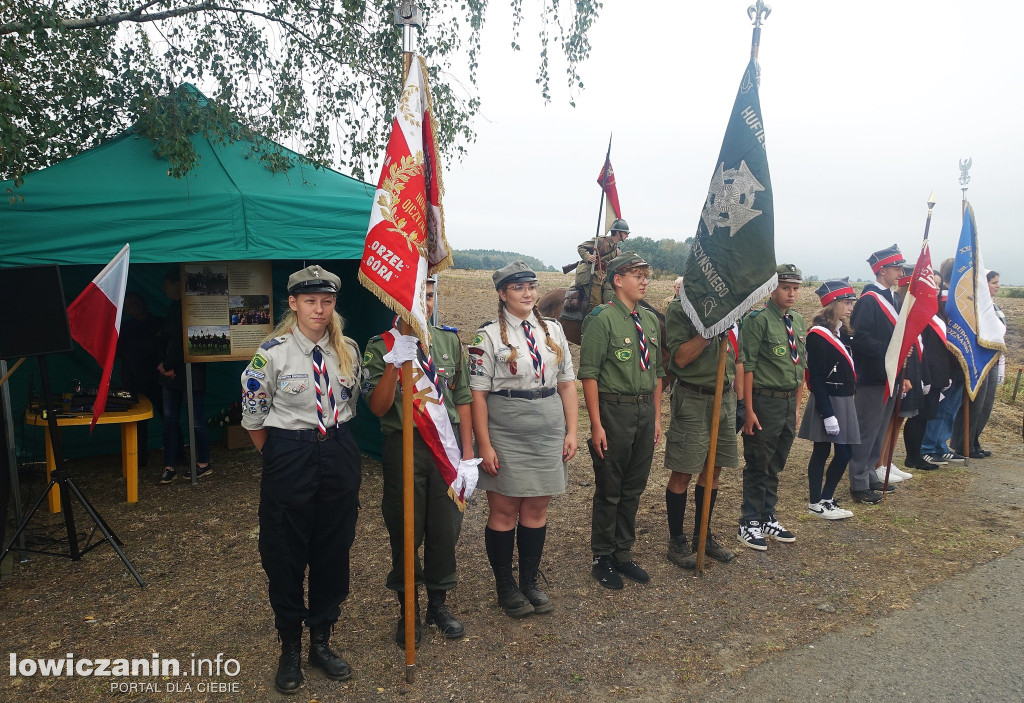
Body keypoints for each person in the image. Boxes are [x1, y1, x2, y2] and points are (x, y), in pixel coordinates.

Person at [241, 265, 362, 694]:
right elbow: (254, 419)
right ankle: (289, 646)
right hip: (289, 452)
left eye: (327, 301)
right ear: (292, 304)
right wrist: (284, 455)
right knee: (285, 553)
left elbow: (351, 402)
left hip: (339, 450)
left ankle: (322, 641)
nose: (319, 309)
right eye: (310, 301)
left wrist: (324, 450)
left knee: (333, 549)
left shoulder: (347, 349)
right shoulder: (270, 355)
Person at [364, 276, 474, 642]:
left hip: (447, 447)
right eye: (414, 297)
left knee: (445, 528)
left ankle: (438, 603)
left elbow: (463, 398)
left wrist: (469, 455)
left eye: (428, 296)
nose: (422, 304)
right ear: (395, 302)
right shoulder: (380, 346)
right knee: (404, 527)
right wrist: (395, 365)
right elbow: (378, 408)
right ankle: (406, 608)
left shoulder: (448, 341)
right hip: (404, 446)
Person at [469, 262, 578, 618]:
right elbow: (478, 396)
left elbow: (566, 384)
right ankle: (505, 585)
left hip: (548, 425)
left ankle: (529, 581)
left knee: (536, 508)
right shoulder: (486, 337)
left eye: (531, 287)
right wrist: (483, 445)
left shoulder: (554, 330)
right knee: (504, 511)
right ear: (502, 294)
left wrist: (573, 430)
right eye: (518, 288)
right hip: (506, 428)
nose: (528, 294)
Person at [579, 252, 664, 588]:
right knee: (610, 487)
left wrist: (657, 417)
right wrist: (596, 424)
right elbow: (589, 374)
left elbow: (657, 373)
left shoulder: (650, 319)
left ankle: (623, 552)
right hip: (614, 411)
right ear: (617, 280)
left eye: (646, 274)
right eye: (636, 275)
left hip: (645, 412)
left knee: (633, 487)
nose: (644, 280)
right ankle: (602, 555)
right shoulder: (602, 318)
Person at [663, 289, 741, 569]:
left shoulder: (731, 307)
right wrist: (709, 332)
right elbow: (681, 359)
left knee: (714, 468)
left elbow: (737, 357)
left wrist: (740, 401)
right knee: (684, 469)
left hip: (725, 397)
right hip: (694, 397)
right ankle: (677, 540)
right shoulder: (680, 309)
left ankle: (703, 536)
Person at [737, 264, 807, 550]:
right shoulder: (758, 319)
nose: (791, 293)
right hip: (764, 401)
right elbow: (748, 366)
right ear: (771, 289)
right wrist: (748, 409)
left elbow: (800, 365)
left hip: (788, 402)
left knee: (776, 462)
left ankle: (767, 515)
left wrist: (797, 405)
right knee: (758, 461)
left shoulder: (798, 321)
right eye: (785, 287)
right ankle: (749, 521)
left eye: (795, 288)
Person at [846, 246, 911, 504]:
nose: (900, 272)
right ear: (882, 270)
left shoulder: (892, 299)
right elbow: (859, 339)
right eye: (896, 268)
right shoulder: (869, 300)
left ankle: (870, 471)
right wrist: (890, 353)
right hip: (872, 376)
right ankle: (858, 481)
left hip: (889, 376)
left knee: (879, 429)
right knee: (867, 429)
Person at [798, 279, 859, 520]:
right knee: (821, 452)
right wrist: (828, 413)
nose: (850, 308)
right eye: (846, 303)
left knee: (844, 453)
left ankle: (827, 497)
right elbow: (817, 378)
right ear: (831, 305)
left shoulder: (842, 332)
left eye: (851, 303)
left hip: (844, 399)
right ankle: (815, 501)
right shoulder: (818, 336)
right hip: (828, 401)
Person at [156, 268, 210, 483]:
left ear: (178, 284)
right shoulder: (172, 308)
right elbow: (163, 338)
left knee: (195, 420)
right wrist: (164, 364)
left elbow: (186, 342)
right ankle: (169, 465)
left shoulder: (191, 309)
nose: (163, 289)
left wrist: (168, 364)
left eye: (167, 284)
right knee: (169, 420)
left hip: (191, 373)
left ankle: (203, 463)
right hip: (169, 375)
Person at [952, 270, 1006, 459]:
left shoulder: (995, 308)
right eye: (993, 282)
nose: (997, 286)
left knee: (985, 406)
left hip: (993, 360)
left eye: (998, 282)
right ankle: (962, 443)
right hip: (979, 360)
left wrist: (1002, 365)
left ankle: (974, 439)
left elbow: (1000, 338)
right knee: (975, 405)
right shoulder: (976, 308)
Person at [116, 291, 164, 467]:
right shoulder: (126, 328)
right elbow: (122, 352)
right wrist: (149, 343)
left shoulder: (159, 322)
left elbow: (162, 347)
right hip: (133, 378)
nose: (134, 307)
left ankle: (176, 455)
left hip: (156, 378)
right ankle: (139, 458)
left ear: (144, 303)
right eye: (129, 305)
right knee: (137, 421)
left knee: (168, 416)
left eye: (136, 303)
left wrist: (143, 346)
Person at [575, 218, 630, 309]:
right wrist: (588, 257)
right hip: (591, 274)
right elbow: (581, 247)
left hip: (603, 276)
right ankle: (593, 321)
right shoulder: (601, 241)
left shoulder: (616, 249)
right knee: (596, 305)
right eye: (625, 233)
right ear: (617, 232)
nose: (627, 235)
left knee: (611, 301)